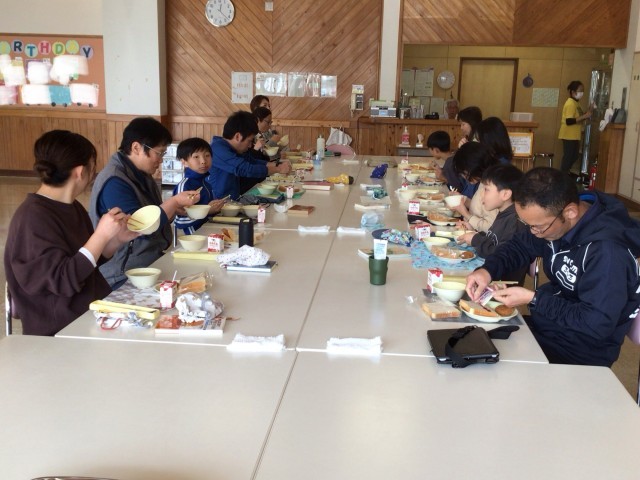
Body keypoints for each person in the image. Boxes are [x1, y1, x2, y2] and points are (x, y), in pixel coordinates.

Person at [466, 167, 640, 367]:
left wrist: (534, 299)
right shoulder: (554, 220)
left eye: (538, 227)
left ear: (570, 212)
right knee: (469, 341)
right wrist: (487, 271)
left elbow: (596, 323)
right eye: (528, 225)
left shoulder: (608, 253)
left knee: (482, 365)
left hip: (579, 354)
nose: (534, 232)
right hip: (548, 330)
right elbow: (519, 245)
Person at [4, 130, 138, 335]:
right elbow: (62, 280)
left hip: (91, 312)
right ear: (80, 172)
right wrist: (101, 235)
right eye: (93, 166)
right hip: (61, 328)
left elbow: (83, 262)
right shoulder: (32, 218)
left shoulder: (71, 206)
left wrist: (114, 241)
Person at [90, 117, 201, 288]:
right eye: (159, 153)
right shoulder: (115, 181)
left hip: (148, 261)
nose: (161, 160)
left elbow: (153, 213)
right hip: (123, 274)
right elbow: (139, 226)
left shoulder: (141, 173)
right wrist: (173, 202)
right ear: (136, 148)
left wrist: (173, 209)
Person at [458, 164, 527, 283]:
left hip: (501, 284)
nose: (482, 195)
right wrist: (474, 233)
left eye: (486, 189)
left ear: (505, 194)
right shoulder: (503, 213)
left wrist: (476, 239)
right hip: (490, 275)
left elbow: (501, 255)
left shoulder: (515, 222)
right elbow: (494, 240)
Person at [208, 111, 291, 200]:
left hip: (233, 199)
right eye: (249, 141)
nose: (250, 145)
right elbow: (244, 168)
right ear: (238, 137)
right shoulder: (217, 149)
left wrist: (276, 165)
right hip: (218, 203)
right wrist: (278, 169)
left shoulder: (232, 148)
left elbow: (251, 161)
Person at [173, 137, 226, 235]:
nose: (203, 161)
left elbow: (208, 210)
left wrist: (215, 207)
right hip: (196, 236)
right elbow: (180, 221)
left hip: (209, 230)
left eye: (207, 155)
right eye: (196, 157)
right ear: (184, 162)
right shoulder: (185, 186)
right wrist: (207, 211)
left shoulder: (206, 183)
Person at [449, 142, 499, 232]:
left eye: (464, 172)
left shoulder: (493, 186)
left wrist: (465, 213)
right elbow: (481, 208)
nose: (463, 176)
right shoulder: (484, 181)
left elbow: (491, 229)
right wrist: (463, 200)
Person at [558, 80, 592, 173]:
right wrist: (585, 116)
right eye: (580, 90)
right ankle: (562, 175)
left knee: (575, 156)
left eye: (583, 90)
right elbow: (569, 121)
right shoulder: (570, 103)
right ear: (573, 92)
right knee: (568, 157)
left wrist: (588, 111)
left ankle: (565, 173)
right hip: (568, 135)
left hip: (574, 135)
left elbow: (579, 117)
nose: (582, 93)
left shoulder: (576, 103)